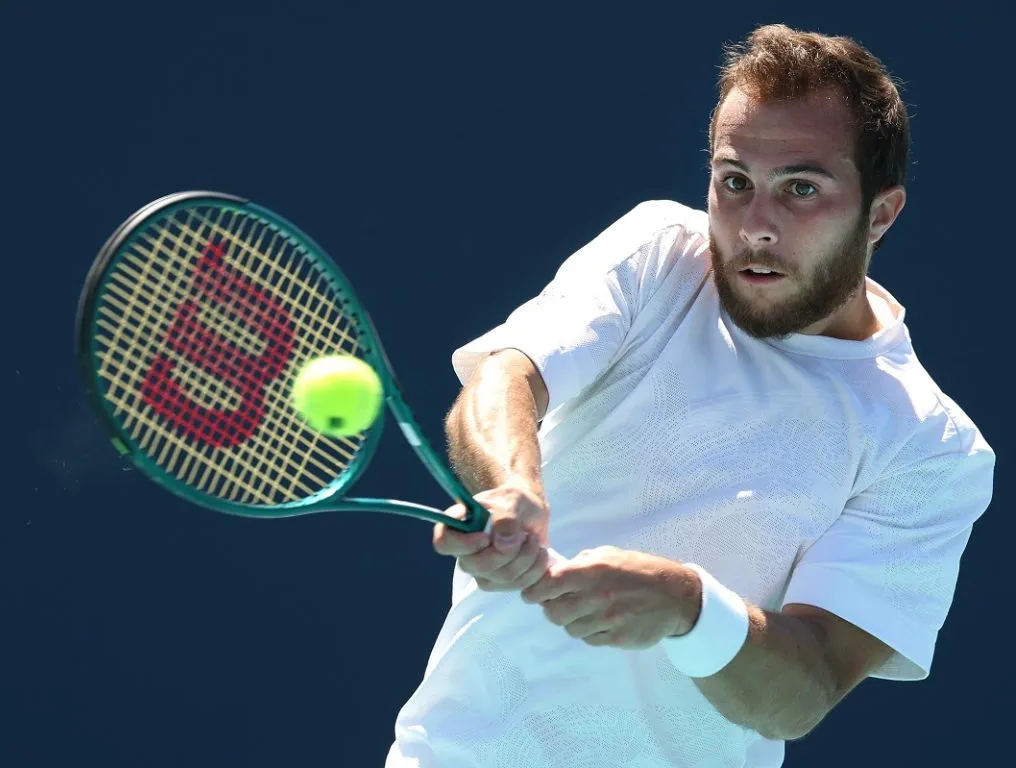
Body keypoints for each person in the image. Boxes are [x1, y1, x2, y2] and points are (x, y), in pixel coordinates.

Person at [384, 23, 995, 768]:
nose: (756, 227)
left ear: (881, 214)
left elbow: (803, 692)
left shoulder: (930, 447)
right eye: (734, 182)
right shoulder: (658, 256)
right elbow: (506, 376)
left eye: (800, 189)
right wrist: (513, 488)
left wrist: (689, 606)